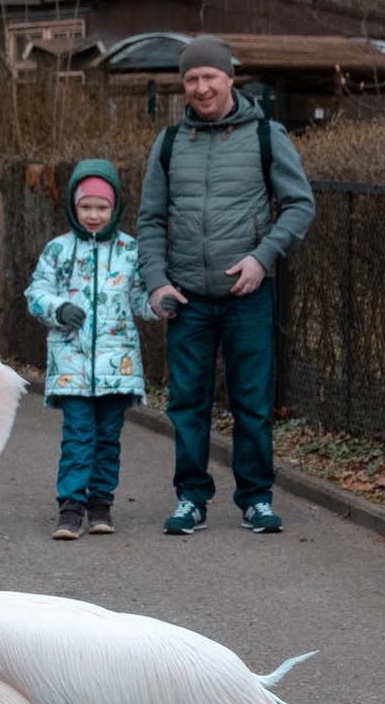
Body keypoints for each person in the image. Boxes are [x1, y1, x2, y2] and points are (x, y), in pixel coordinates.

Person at [135, 34, 315, 537]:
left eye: (210, 76)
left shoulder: (266, 136)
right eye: (191, 79)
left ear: (229, 78)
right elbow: (149, 220)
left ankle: (256, 498)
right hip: (187, 299)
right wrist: (155, 283)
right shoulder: (169, 143)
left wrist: (262, 258)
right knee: (186, 404)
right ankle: (191, 498)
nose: (201, 87)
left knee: (251, 403)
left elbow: (299, 205)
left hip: (247, 298)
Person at [24, 159, 154, 539]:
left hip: (118, 365)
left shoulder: (130, 251)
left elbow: (141, 299)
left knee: (108, 437)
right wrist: (58, 309)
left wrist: (161, 304)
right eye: (86, 207)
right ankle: (70, 507)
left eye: (102, 207)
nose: (94, 215)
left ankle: (101, 503)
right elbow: (36, 293)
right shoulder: (58, 251)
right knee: (79, 435)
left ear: (114, 209)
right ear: (73, 207)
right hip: (71, 364)